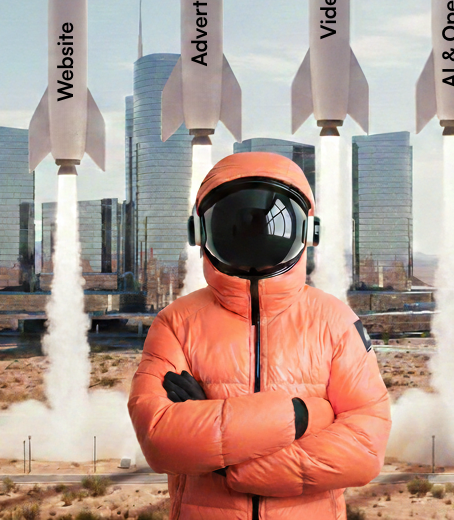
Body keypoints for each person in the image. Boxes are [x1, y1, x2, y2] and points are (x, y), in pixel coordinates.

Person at [128, 152, 391, 520]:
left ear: (308, 231)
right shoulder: (176, 323)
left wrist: (226, 459)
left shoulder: (335, 322)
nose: (254, 234)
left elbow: (365, 447)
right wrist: (302, 415)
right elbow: (160, 439)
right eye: (237, 221)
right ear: (201, 233)